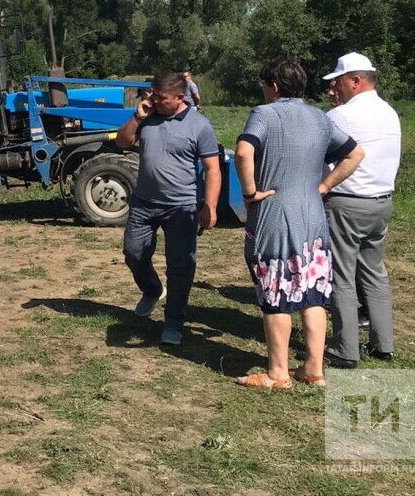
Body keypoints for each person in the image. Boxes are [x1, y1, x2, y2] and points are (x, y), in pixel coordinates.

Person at [233, 58, 364, 389]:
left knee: (275, 290)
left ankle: (277, 373)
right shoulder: (320, 118)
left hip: (275, 216)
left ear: (274, 87)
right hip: (313, 217)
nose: (263, 91)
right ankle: (313, 369)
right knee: (313, 293)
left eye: (264, 85)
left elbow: (243, 152)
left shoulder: (265, 114)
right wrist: (324, 186)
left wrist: (249, 193)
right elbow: (355, 154)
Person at [115, 71, 222, 346]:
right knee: (134, 253)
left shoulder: (200, 125)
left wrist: (209, 205)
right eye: (153, 95)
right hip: (143, 203)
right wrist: (138, 117)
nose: (155, 101)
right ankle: (152, 290)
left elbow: (212, 169)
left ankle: (173, 322)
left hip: (181, 207)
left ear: (179, 97)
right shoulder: (147, 117)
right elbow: (122, 142)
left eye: (161, 98)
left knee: (180, 266)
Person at [322, 52, 402, 367]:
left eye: (337, 82)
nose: (333, 89)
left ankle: (345, 349)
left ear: (355, 81)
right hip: (381, 202)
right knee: (374, 272)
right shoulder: (389, 112)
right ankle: (383, 344)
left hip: (347, 202)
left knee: (341, 276)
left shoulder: (339, 116)